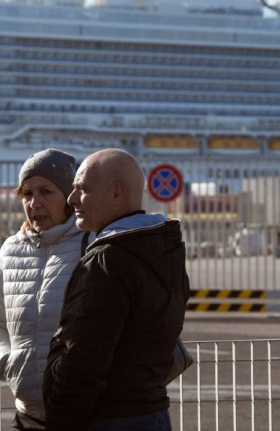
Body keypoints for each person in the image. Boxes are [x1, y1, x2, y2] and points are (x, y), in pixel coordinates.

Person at [43, 148, 189, 431]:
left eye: (81, 189)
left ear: (116, 193)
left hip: (107, 418)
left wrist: (59, 420)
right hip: (153, 413)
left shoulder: (106, 261)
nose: (72, 199)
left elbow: (83, 361)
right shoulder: (165, 249)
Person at [0, 148, 85, 430]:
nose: (34, 202)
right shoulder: (11, 249)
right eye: (27, 194)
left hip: (85, 414)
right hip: (27, 415)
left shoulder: (91, 244)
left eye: (46, 192)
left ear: (68, 196)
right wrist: (5, 362)